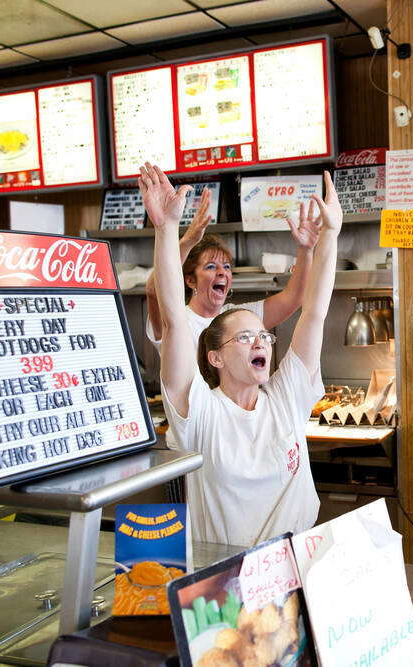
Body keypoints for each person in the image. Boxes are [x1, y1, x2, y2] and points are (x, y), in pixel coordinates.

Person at [141, 163, 341, 546]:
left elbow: (314, 312)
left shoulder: (287, 398)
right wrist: (167, 230)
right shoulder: (200, 412)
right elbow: (170, 313)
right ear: (215, 358)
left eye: (263, 336)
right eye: (246, 337)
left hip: (296, 570)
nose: (261, 343)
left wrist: (330, 234)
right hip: (226, 583)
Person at [144, 184, 321, 352]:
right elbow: (153, 290)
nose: (222, 272)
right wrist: (187, 241)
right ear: (190, 280)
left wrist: (306, 250)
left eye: (227, 266)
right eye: (211, 266)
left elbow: (292, 298)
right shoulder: (177, 318)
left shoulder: (236, 317)